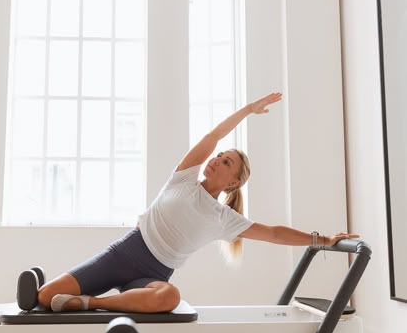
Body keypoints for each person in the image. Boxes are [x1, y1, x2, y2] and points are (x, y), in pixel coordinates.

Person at [38, 92, 358, 313]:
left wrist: (325, 240)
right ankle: (42, 284)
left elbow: (274, 233)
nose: (218, 159)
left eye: (227, 162)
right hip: (123, 254)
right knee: (45, 297)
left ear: (234, 182)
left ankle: (91, 303)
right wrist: (248, 110)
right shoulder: (184, 178)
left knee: (169, 296)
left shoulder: (224, 218)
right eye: (220, 156)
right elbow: (214, 135)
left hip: (152, 275)